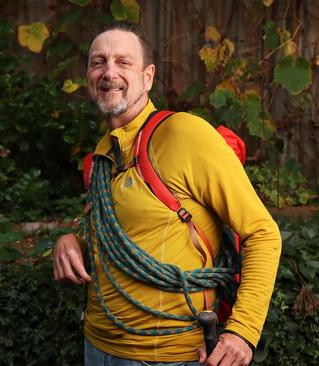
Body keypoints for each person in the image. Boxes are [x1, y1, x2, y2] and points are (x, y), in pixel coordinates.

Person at [53, 22, 281, 366]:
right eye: (98, 62)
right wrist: (73, 243)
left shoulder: (183, 134)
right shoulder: (103, 155)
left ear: (148, 77)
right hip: (97, 348)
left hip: (169, 356)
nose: (108, 72)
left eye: (123, 62)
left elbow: (263, 233)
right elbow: (123, 241)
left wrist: (242, 332)